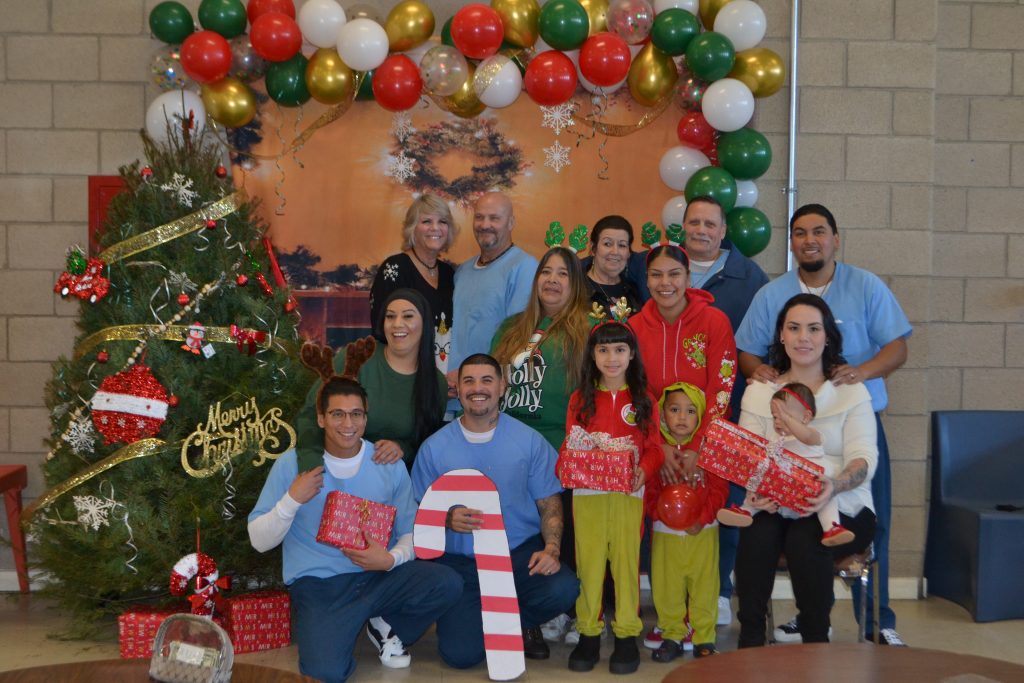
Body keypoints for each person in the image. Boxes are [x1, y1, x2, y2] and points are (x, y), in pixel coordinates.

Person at [735, 203, 912, 646]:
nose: (803, 338)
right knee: (766, 537)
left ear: (835, 237)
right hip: (779, 487)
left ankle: (873, 622)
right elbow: (747, 355)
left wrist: (861, 374)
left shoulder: (865, 288)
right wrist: (760, 373)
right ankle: (764, 637)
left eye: (819, 231)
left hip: (845, 458)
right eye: (799, 232)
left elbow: (897, 347)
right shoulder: (772, 298)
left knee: (857, 521)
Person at [248, 372, 463, 683]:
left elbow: (413, 531)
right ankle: (348, 622)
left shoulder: (387, 463)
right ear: (320, 418)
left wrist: (391, 559)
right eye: (337, 414)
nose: (347, 424)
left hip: (379, 577)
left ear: (366, 417)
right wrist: (291, 500)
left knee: (447, 583)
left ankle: (385, 623)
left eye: (356, 414)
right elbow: (258, 540)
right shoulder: (291, 464)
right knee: (325, 672)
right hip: (321, 584)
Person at [411, 354, 580, 669]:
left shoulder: (529, 441)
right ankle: (486, 621)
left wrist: (552, 549)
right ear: (457, 390)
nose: (478, 388)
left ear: (502, 386)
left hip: (517, 555)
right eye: (469, 381)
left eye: (487, 380)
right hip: (460, 563)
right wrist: (444, 518)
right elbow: (416, 513)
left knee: (565, 588)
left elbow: (550, 503)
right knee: (461, 656)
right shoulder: (434, 448)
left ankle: (514, 619)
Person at [734, 294, 878, 648]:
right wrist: (757, 489)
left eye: (813, 329)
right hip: (776, 500)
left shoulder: (850, 391)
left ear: (827, 336)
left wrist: (833, 485)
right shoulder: (760, 392)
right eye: (793, 328)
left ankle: (815, 643)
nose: (803, 338)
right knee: (756, 533)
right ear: (781, 335)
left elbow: (863, 459)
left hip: (841, 505)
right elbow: (747, 458)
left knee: (805, 539)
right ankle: (750, 640)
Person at [628, 243, 737, 651]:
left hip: (704, 449)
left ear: (689, 278)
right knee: (663, 535)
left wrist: (699, 448)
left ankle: (701, 620)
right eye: (656, 275)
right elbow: (637, 394)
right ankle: (671, 620)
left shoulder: (714, 321)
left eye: (674, 274)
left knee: (701, 531)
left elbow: (722, 388)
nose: (665, 283)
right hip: (657, 449)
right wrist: (661, 447)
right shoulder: (636, 327)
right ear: (647, 280)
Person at [490, 246, 595, 645]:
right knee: (520, 534)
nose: (552, 280)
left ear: (575, 284)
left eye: (562, 274)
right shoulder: (510, 328)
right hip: (510, 449)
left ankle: (565, 609)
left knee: (562, 532)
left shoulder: (586, 330)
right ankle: (526, 608)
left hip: (559, 450)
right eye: (545, 272)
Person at [681, 194, 769, 626]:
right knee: (675, 497)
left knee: (725, 501)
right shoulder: (658, 269)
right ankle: (673, 590)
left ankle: (718, 590)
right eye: (693, 222)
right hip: (672, 417)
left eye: (710, 224)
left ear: (723, 231)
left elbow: (765, 340)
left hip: (729, 415)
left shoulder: (750, 276)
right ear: (682, 226)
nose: (701, 230)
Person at [558, 322, 662, 674]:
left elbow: (654, 449)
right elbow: (570, 443)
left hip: (629, 496)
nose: (611, 357)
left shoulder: (644, 399)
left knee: (625, 564)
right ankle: (588, 634)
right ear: (592, 355)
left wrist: (643, 471)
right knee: (588, 564)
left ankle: (626, 636)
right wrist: (566, 464)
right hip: (587, 496)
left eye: (619, 349)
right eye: (603, 350)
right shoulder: (580, 398)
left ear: (632, 354)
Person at [295, 288, 446, 472]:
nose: (397, 324)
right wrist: (311, 462)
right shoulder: (357, 358)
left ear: (425, 324)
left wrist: (402, 448)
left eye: (408, 316)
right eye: (390, 316)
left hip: (392, 480)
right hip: (333, 470)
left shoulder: (436, 383)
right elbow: (310, 412)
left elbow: (428, 441)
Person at [719, 383, 856, 547]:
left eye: (785, 415)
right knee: (760, 482)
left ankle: (832, 527)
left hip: (810, 490)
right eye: (775, 416)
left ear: (805, 417)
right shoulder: (776, 441)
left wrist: (787, 419)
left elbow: (805, 437)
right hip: (784, 492)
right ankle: (746, 510)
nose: (778, 421)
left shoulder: (813, 435)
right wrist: (755, 489)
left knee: (827, 494)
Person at [649, 381, 728, 663]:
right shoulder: (658, 453)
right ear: (662, 414)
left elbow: (720, 490)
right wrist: (661, 515)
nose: (682, 417)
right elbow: (648, 490)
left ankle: (704, 637)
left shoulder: (709, 452)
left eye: (690, 410)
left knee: (704, 586)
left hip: (702, 533)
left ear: (701, 416)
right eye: (674, 409)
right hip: (666, 534)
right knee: (666, 586)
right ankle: (671, 635)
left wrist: (702, 518)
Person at [447, 192, 537, 389]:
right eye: (479, 217)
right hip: (451, 390)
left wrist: (473, 376)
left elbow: (515, 338)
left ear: (511, 222)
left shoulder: (524, 267)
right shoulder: (463, 271)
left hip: (488, 392)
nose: (485, 224)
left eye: (494, 218)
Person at [369, 194, 458, 373]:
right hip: (405, 372)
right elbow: (382, 330)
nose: (435, 228)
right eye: (426, 221)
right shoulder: (394, 268)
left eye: (442, 221)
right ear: (412, 228)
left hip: (444, 372)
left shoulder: (450, 274)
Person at [579, 215, 643, 316]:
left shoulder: (635, 292)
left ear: (629, 253)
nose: (615, 252)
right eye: (607, 244)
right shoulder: (575, 289)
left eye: (622, 245)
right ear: (593, 248)